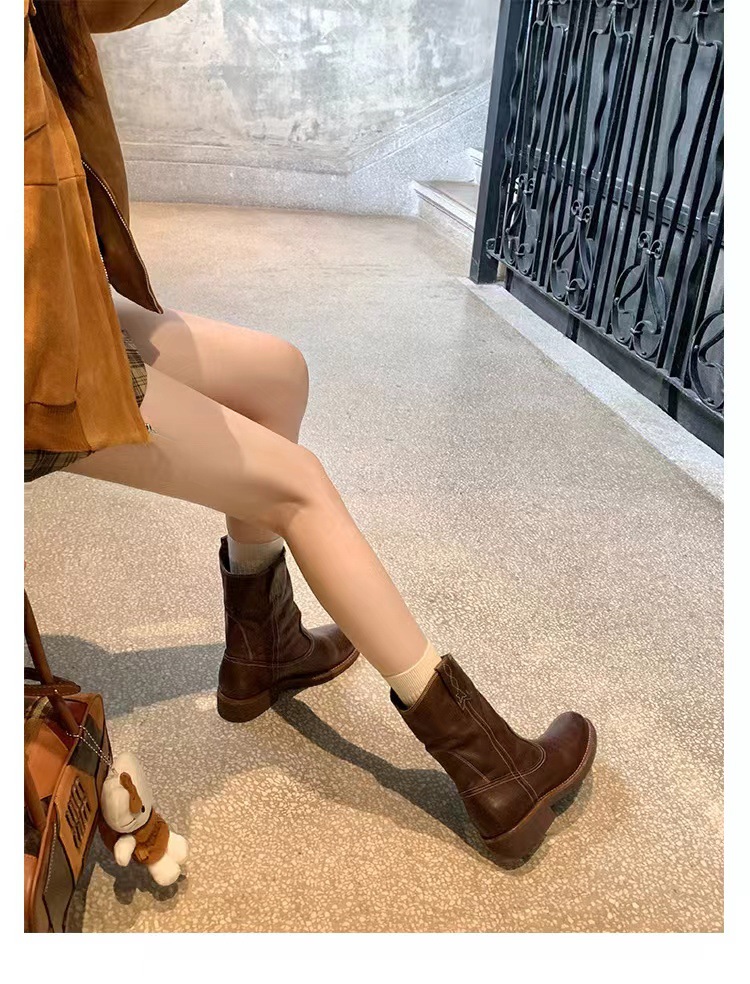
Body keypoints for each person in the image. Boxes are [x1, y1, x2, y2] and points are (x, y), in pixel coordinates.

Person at [24, 0, 596, 866]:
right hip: (34, 360)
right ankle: (497, 772)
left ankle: (263, 652)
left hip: (53, 299)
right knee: (300, 485)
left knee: (278, 372)